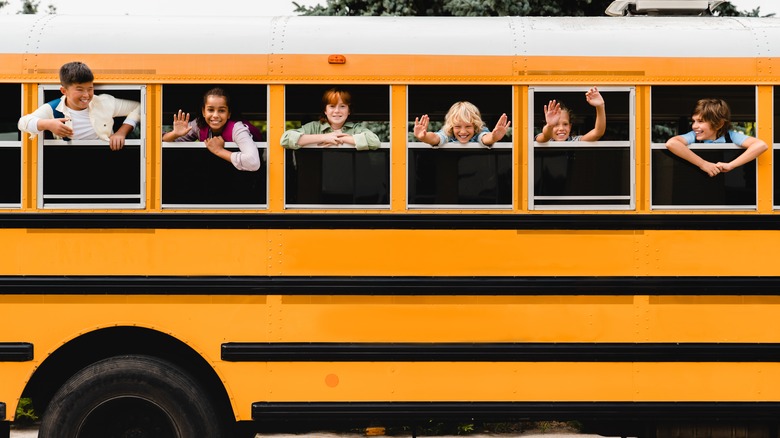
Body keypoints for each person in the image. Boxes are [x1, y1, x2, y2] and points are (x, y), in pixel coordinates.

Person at [17, 61, 140, 151]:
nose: (86, 95)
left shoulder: (104, 102)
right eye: (80, 90)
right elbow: (23, 123)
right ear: (64, 91)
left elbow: (140, 107)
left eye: (90, 89)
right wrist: (48, 124)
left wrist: (121, 132)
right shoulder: (53, 108)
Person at [162, 87, 261, 171]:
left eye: (221, 110)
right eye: (210, 110)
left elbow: (253, 162)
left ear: (229, 113)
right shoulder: (198, 125)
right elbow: (162, 140)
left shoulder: (237, 128)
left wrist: (219, 150)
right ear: (203, 112)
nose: (215, 115)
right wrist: (175, 134)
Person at [665, 98, 768, 177]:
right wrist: (703, 164)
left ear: (718, 124)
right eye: (693, 121)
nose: (694, 126)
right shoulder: (693, 135)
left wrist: (731, 165)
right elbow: (672, 143)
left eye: (700, 121)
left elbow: (761, 145)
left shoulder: (731, 136)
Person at [280, 88, 380, 151]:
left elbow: (374, 142)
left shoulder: (356, 128)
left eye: (342, 106)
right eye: (332, 106)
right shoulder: (314, 127)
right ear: (325, 110)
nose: (337, 111)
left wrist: (340, 138)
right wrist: (324, 137)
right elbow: (285, 140)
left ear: (349, 110)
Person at [413, 101, 510, 147]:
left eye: (468, 126)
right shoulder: (448, 133)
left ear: (475, 126)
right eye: (457, 126)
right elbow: (436, 138)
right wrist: (423, 137)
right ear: (451, 126)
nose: (463, 131)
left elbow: (485, 138)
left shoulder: (479, 132)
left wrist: (494, 137)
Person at [535, 87, 606, 142]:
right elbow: (545, 137)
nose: (561, 128)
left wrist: (600, 106)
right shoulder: (545, 138)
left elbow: (598, 133)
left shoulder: (573, 140)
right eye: (555, 124)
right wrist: (550, 125)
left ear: (570, 126)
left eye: (565, 124)